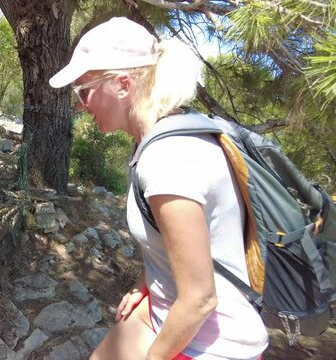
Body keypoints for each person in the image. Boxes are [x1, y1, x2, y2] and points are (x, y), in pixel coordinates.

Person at [49, 17, 269, 360]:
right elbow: (177, 246)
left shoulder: (168, 159)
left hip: (212, 342)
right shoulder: (166, 135)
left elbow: (199, 299)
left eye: (84, 90)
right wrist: (144, 284)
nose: (79, 104)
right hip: (167, 312)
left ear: (123, 84)